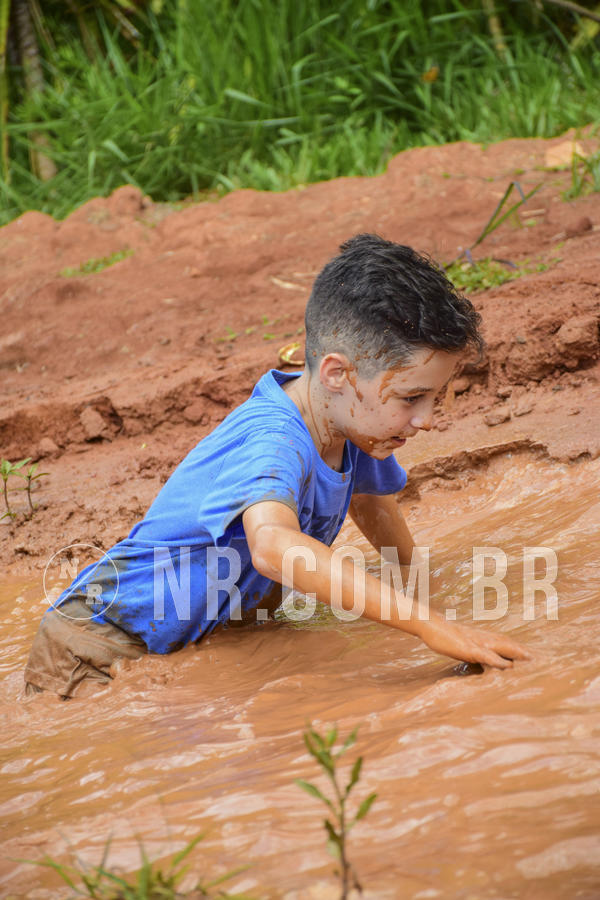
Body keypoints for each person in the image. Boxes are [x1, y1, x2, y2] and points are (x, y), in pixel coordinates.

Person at [24, 234, 530, 698]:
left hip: (199, 636)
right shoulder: (273, 437)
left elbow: (373, 503)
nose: (426, 419)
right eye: (412, 397)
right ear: (337, 373)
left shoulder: (355, 424)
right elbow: (273, 547)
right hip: (97, 643)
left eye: (434, 398)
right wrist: (429, 627)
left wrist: (426, 590)